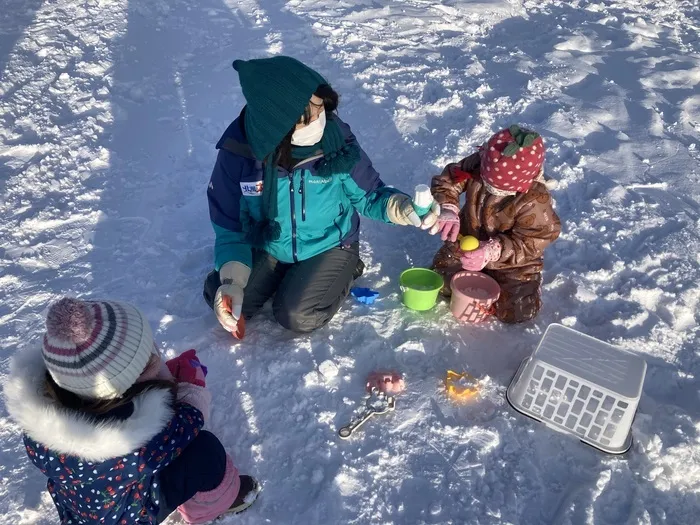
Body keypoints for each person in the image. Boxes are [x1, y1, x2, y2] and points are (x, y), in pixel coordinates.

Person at [203, 56, 437, 334]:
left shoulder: (336, 142)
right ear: (276, 123)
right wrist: (231, 281)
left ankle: (344, 268)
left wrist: (402, 208)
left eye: (321, 108)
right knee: (224, 295)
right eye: (308, 116)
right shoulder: (239, 155)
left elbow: (370, 194)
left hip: (328, 243)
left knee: (297, 315)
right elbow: (230, 226)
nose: (320, 120)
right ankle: (286, 274)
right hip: (270, 244)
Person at [4, 297, 260, 524]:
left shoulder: (40, 428)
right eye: (149, 358)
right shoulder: (134, 446)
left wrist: (153, 380)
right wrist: (191, 392)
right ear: (125, 389)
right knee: (206, 452)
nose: (156, 353)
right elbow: (189, 422)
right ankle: (214, 505)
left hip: (83, 509)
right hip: (133, 514)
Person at [425, 125, 561, 323]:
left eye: (497, 188)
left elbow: (534, 240)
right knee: (440, 281)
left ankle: (529, 287)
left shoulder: (535, 199)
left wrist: (492, 251)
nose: (488, 188)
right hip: (466, 240)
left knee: (517, 312)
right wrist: (448, 207)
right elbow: (449, 180)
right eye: (485, 181)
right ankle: (474, 272)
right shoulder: (481, 162)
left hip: (511, 261)